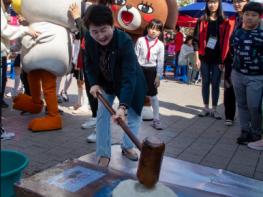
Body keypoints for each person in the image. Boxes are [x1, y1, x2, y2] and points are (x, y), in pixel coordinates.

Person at [82, 5, 147, 167]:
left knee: (132, 117)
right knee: (102, 116)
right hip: (105, 83)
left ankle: (127, 146)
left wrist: (123, 106)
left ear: (112, 25)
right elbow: (88, 63)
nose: (100, 36)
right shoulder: (88, 39)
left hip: (130, 82)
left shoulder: (124, 41)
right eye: (94, 31)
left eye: (104, 30)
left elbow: (128, 76)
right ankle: (104, 154)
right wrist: (94, 83)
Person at [230, 2, 263, 145]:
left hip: (256, 77)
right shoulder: (237, 32)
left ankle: (256, 132)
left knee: (254, 106)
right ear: (242, 15)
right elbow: (233, 51)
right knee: (241, 104)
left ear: (259, 17)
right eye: (247, 14)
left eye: (253, 15)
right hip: (237, 74)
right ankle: (245, 131)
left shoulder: (262, 35)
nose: (249, 18)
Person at [193, 0, 230, 120]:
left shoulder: (224, 21)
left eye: (214, 2)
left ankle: (214, 109)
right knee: (205, 82)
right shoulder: (202, 20)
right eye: (209, 2)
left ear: (219, 4)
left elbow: (226, 41)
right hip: (204, 57)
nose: (212, 4)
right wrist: (197, 58)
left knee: (215, 83)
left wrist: (223, 60)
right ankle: (205, 108)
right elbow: (196, 40)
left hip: (218, 59)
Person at [223, 0, 250, 127]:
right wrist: (222, 59)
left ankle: (249, 120)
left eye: (240, 1)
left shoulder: (254, 18)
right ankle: (229, 116)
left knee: (247, 90)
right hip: (231, 59)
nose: (237, 4)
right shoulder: (230, 19)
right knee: (229, 87)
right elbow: (224, 40)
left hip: (249, 60)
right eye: (235, 1)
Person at [135, 19, 164, 130]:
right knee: (139, 95)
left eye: (157, 30)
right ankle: (138, 118)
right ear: (147, 28)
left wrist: (158, 76)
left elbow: (160, 61)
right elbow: (135, 56)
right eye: (151, 28)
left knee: (154, 96)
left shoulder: (160, 45)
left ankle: (156, 119)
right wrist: (135, 72)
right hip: (140, 69)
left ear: (160, 32)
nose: (153, 31)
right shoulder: (140, 40)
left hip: (151, 71)